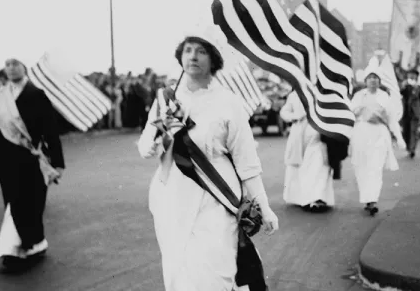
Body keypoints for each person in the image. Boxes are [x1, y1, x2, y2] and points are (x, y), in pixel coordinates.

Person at [138, 25, 279, 291]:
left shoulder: (228, 102)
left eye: (201, 51)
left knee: (215, 272)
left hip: (215, 198)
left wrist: (264, 206)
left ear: (213, 59)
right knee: (179, 272)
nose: (193, 56)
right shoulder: (165, 98)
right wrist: (160, 130)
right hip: (172, 198)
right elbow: (145, 148)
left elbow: (247, 161)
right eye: (188, 49)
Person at [0, 57, 64, 269]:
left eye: (16, 63)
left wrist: (57, 163)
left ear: (24, 66)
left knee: (31, 201)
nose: (11, 68)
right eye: (8, 64)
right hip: (6, 157)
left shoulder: (37, 94)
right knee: (12, 201)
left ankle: (31, 244)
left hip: (31, 156)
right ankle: (18, 246)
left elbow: (50, 129)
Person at [351, 68, 406, 216]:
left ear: (380, 81)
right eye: (370, 78)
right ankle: (366, 197)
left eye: (376, 78)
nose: (373, 80)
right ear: (366, 80)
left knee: (375, 167)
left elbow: (392, 119)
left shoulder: (384, 97)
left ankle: (372, 200)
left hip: (379, 134)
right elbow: (350, 113)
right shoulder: (359, 96)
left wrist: (399, 138)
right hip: (361, 132)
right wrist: (360, 107)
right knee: (362, 166)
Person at [280, 90, 334, 212]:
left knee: (318, 166)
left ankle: (317, 198)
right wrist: (294, 117)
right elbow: (284, 112)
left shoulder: (322, 94)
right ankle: (303, 198)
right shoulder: (294, 95)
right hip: (300, 135)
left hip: (318, 136)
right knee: (300, 167)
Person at [400, 68, 420, 158]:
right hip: (404, 112)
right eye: (410, 74)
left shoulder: (418, 87)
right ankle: (408, 146)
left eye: (414, 74)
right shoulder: (403, 85)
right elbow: (400, 93)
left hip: (415, 112)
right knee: (405, 131)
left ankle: (412, 149)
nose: (412, 76)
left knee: (414, 131)